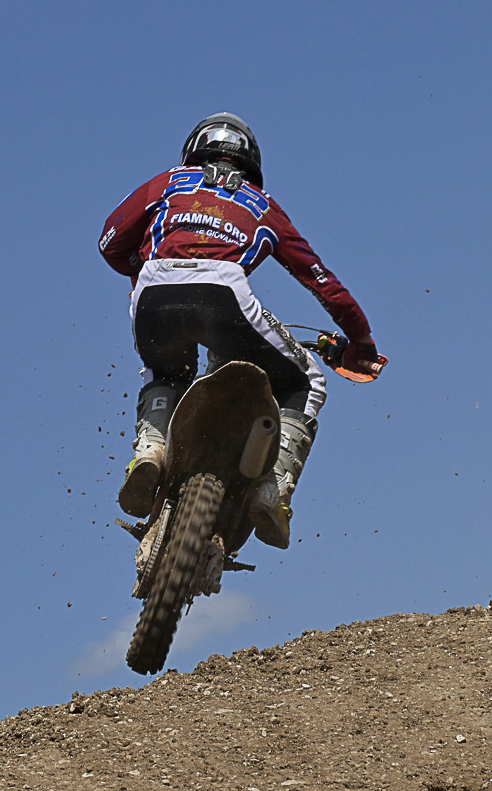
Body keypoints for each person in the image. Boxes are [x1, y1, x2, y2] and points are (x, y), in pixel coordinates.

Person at [98, 112, 384, 549]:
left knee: (165, 373)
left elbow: (109, 242)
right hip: (223, 293)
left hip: (153, 292)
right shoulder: (262, 205)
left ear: (194, 150)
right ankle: (274, 491)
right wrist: (360, 340)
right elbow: (320, 281)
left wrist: (146, 265)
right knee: (307, 379)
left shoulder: (166, 183)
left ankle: (149, 451)